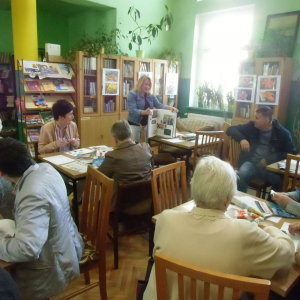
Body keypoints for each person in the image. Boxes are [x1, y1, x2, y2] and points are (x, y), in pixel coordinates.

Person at [143, 156, 294, 300]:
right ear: (229, 199)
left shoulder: (166, 219)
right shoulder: (245, 232)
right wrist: (268, 229)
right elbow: (287, 255)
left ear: (193, 187)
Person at [0, 138, 83, 300]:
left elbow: (26, 249)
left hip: (52, 268)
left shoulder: (32, 194)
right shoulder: (46, 168)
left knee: (6, 286)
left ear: (2, 172)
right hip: (68, 247)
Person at [226, 106, 297, 193]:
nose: (253, 120)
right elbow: (230, 129)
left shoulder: (283, 133)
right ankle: (241, 200)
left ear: (266, 121)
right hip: (251, 163)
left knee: (278, 181)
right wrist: (242, 139)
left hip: (270, 167)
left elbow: (292, 152)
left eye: (257, 118)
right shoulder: (252, 126)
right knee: (241, 174)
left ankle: (270, 205)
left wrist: (270, 159)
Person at [98, 119, 153, 213]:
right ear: (131, 135)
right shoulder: (146, 147)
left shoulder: (112, 156)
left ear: (115, 139)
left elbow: (98, 178)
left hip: (122, 205)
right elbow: (153, 168)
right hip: (147, 200)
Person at [127, 75, 178, 142]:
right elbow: (132, 110)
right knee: (134, 145)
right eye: (146, 84)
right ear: (140, 83)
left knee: (146, 145)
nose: (147, 87)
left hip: (147, 124)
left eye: (149, 85)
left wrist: (169, 107)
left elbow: (159, 105)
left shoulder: (150, 95)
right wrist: (144, 112)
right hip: (135, 124)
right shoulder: (132, 94)